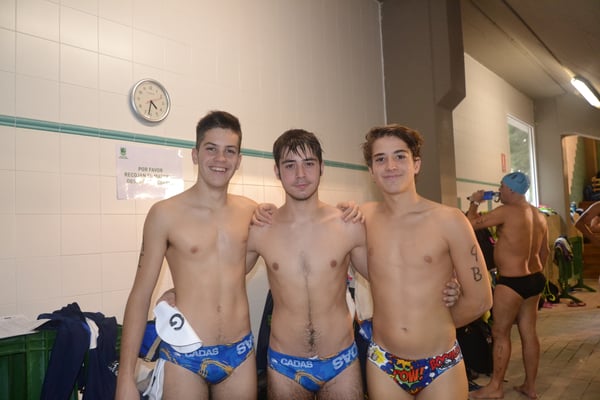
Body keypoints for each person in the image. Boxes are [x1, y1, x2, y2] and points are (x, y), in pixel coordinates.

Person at [165, 128, 461, 399]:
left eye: (308, 163)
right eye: (289, 165)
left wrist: (447, 282)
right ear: (277, 172)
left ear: (322, 168)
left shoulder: (348, 224)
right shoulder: (262, 228)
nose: (300, 174)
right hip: (284, 365)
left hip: (341, 362)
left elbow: (391, 279)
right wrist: (179, 290)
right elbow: (220, 275)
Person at [116, 111, 260, 400]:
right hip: (184, 355)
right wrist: (125, 378)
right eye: (211, 149)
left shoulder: (251, 212)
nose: (220, 159)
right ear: (195, 154)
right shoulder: (164, 214)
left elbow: (237, 265)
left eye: (230, 151)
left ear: (239, 160)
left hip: (240, 354)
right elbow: (140, 296)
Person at [359, 124, 493, 399]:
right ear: (371, 170)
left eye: (400, 156)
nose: (390, 166)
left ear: (416, 164)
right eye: (380, 159)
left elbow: (481, 300)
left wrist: (436, 321)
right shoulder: (362, 219)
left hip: (439, 362)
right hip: (384, 362)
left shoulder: (449, 220)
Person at [466, 171, 549, 400]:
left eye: (501, 186)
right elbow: (545, 252)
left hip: (512, 282)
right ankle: (530, 386)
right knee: (529, 333)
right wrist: (533, 275)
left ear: (512, 190)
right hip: (535, 279)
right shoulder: (539, 215)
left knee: (500, 333)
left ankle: (495, 387)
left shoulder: (506, 211)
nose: (499, 191)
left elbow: (469, 224)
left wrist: (475, 202)